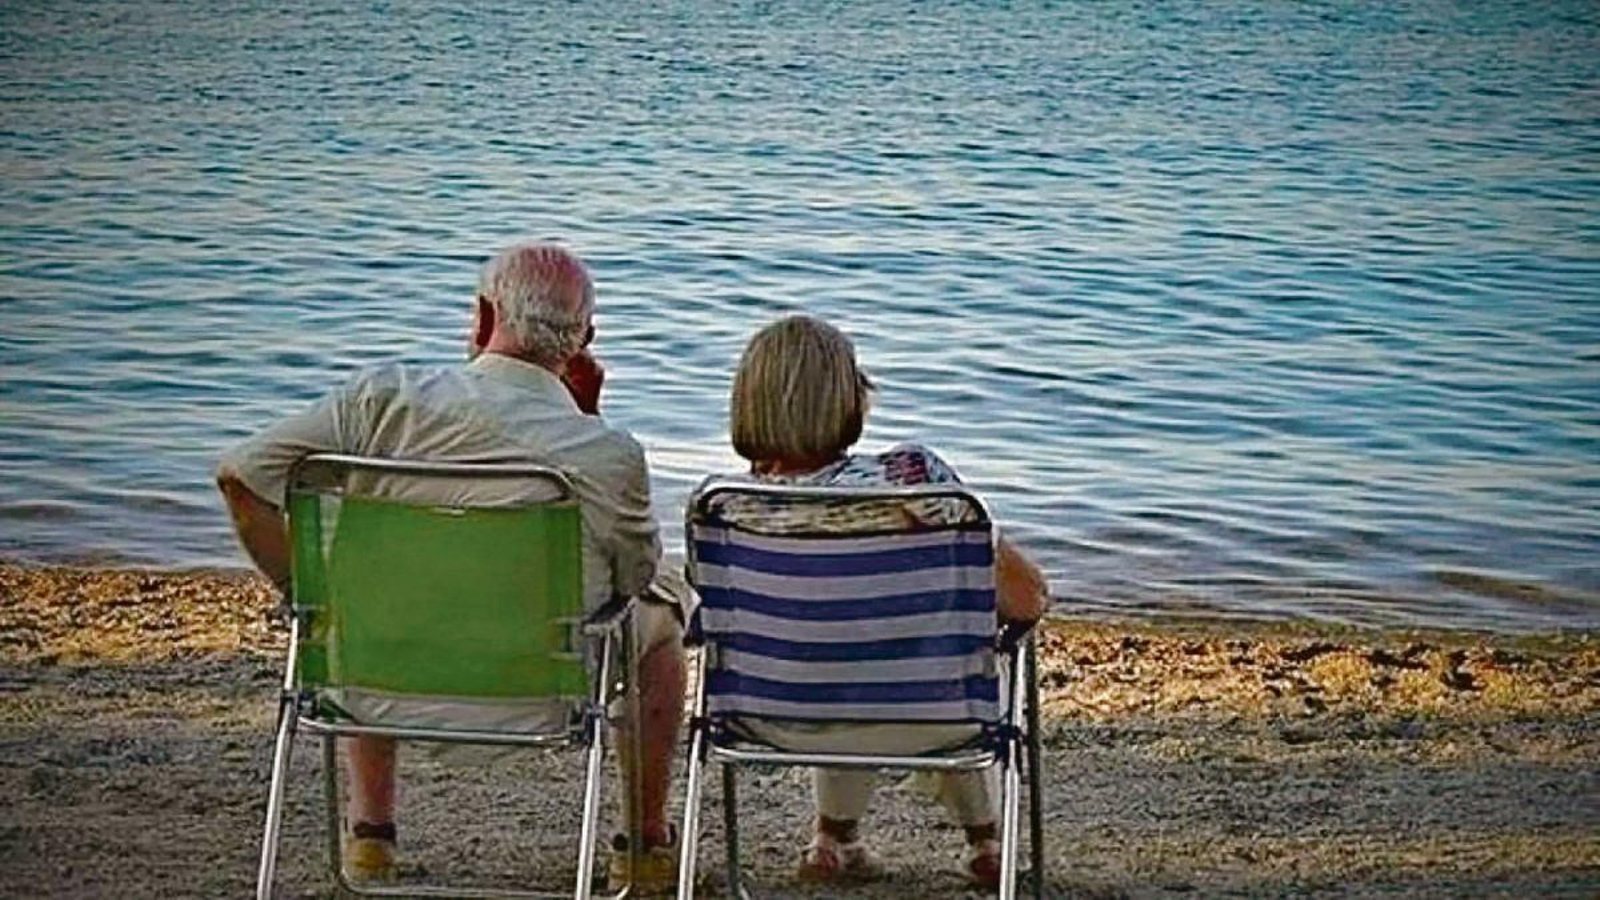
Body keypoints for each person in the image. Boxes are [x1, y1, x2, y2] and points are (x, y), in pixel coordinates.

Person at [216, 241, 686, 893]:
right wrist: (586, 419)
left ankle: (370, 839)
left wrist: (311, 599)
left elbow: (240, 479)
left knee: (371, 586)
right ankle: (643, 846)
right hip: (538, 698)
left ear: (483, 313)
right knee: (663, 614)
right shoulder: (604, 450)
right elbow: (633, 577)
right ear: (584, 342)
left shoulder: (379, 399)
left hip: (376, 682)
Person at [713, 314, 1049, 890]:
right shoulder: (915, 479)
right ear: (847, 399)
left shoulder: (727, 509)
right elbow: (1026, 600)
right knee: (933, 652)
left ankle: (832, 840)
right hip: (932, 717)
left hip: (770, 716)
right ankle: (987, 841)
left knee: (834, 649)